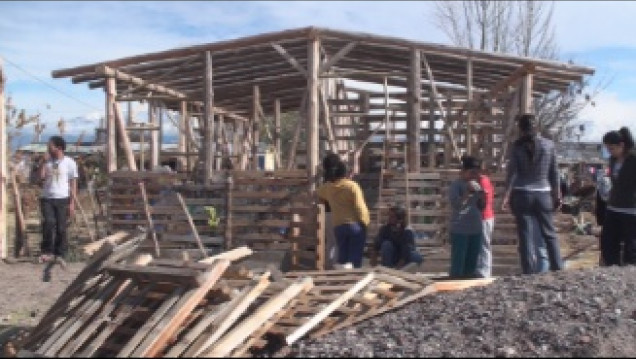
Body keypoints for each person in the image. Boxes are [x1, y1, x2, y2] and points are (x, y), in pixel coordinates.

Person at [502, 114, 564, 274]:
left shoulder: (516, 146)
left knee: (525, 235)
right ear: (537, 126)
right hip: (543, 194)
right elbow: (554, 172)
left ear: (520, 128)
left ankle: (528, 271)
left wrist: (506, 195)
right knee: (549, 233)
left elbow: (512, 173)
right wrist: (558, 195)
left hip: (522, 194)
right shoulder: (549, 145)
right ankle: (558, 267)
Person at [317, 157, 370, 268]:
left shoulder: (328, 188)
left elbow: (317, 193)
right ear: (345, 172)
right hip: (355, 225)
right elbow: (360, 207)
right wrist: (365, 223)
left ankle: (341, 277)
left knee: (343, 257)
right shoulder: (352, 186)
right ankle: (353, 277)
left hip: (338, 227)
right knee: (354, 259)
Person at [38, 136, 78, 266]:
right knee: (49, 223)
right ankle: (46, 252)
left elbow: (73, 183)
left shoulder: (69, 163)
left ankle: (60, 253)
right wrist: (43, 163)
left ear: (59, 148)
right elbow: (41, 177)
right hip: (47, 198)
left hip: (62, 198)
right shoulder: (47, 162)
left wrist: (72, 203)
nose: (48, 148)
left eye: (50, 146)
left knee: (61, 227)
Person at [600, 127, 636, 266]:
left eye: (612, 148)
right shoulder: (613, 160)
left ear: (622, 145)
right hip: (613, 207)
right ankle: (611, 268)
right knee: (608, 242)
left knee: (630, 246)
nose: (610, 151)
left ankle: (630, 272)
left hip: (631, 209)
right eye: (608, 148)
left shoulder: (633, 160)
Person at [448, 156, 486, 279]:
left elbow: (482, 206)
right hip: (460, 228)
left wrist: (482, 196)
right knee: (458, 262)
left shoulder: (479, 184)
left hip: (475, 227)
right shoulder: (456, 185)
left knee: (472, 262)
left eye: (476, 173)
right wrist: (467, 193)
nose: (474, 175)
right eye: (471, 172)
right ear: (464, 171)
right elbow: (456, 205)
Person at [474, 161, 495, 278]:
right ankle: (480, 269)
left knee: (484, 244)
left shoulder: (483, 181)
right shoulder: (483, 180)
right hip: (484, 216)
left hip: (485, 216)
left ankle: (485, 271)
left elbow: (484, 199)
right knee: (481, 243)